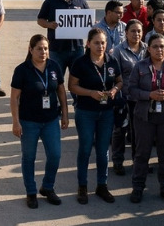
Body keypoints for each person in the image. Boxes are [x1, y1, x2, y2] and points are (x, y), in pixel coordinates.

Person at [10, 34, 69, 209]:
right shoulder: (22, 70)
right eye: (39, 48)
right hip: (29, 122)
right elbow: (14, 98)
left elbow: (61, 91)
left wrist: (65, 114)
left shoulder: (54, 66)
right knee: (29, 157)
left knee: (55, 155)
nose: (43, 52)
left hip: (51, 120)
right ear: (31, 50)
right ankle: (31, 192)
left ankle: (47, 187)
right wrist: (15, 122)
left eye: (46, 48)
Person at [127, 33, 164, 204]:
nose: (159, 50)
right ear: (149, 49)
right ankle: (138, 187)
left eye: (162, 46)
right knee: (142, 153)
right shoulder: (140, 66)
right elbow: (131, 89)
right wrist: (149, 95)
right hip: (144, 116)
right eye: (155, 46)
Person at [68, 28, 122, 204]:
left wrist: (114, 89)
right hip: (86, 112)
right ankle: (82, 186)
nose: (100, 46)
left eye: (103, 43)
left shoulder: (112, 61)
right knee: (85, 148)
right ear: (88, 44)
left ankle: (102, 185)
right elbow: (72, 86)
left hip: (106, 112)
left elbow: (120, 81)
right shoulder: (80, 63)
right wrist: (90, 93)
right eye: (97, 42)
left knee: (103, 150)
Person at [37, 0, 90, 80]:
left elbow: (88, 20)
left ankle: (77, 97)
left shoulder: (81, 1)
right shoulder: (51, 1)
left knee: (79, 79)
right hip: (57, 49)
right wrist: (49, 25)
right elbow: (40, 20)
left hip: (77, 49)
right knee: (56, 79)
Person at [112, 19, 147, 176]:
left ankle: (137, 162)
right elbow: (116, 76)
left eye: (139, 31)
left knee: (138, 133)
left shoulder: (147, 49)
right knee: (120, 130)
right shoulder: (118, 51)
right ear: (126, 33)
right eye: (133, 31)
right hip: (124, 97)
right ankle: (118, 161)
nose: (136, 34)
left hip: (142, 98)